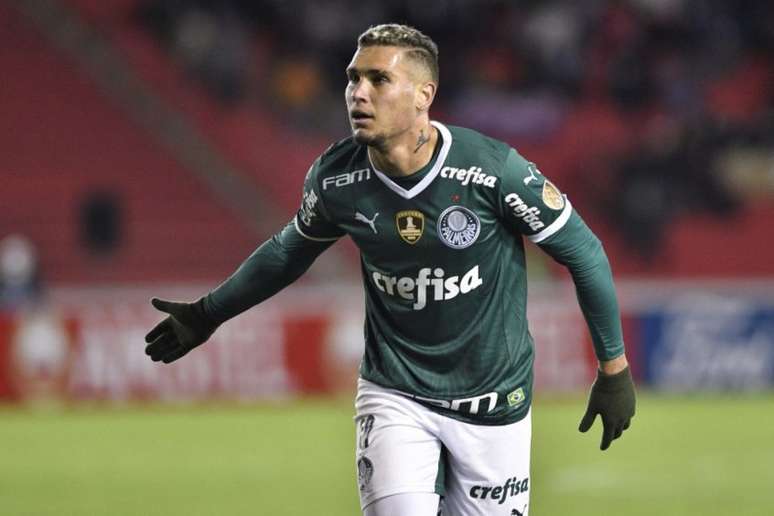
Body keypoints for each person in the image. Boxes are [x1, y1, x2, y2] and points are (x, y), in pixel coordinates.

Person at [144, 24, 636, 516]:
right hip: (396, 393)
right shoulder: (337, 177)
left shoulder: (492, 172)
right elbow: (289, 251)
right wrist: (208, 313)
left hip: (494, 401)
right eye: (353, 78)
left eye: (379, 79)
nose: (359, 92)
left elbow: (584, 253)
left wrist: (613, 370)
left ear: (424, 95)